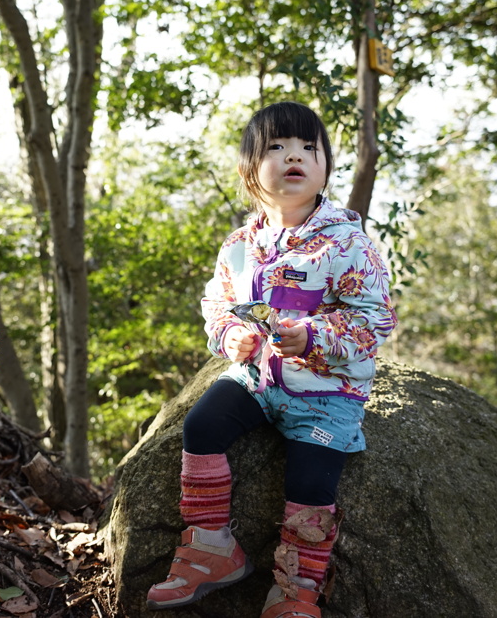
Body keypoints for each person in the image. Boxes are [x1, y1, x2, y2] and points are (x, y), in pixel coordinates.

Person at [146, 102, 397, 617]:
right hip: (260, 379)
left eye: (309, 148)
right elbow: (217, 302)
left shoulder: (347, 242)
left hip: (327, 394)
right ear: (249, 169)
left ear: (326, 166)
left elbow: (376, 320)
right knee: (202, 424)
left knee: (309, 481)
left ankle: (296, 589)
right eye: (277, 147)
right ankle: (211, 546)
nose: (294, 157)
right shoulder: (242, 245)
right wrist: (231, 333)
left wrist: (314, 337)